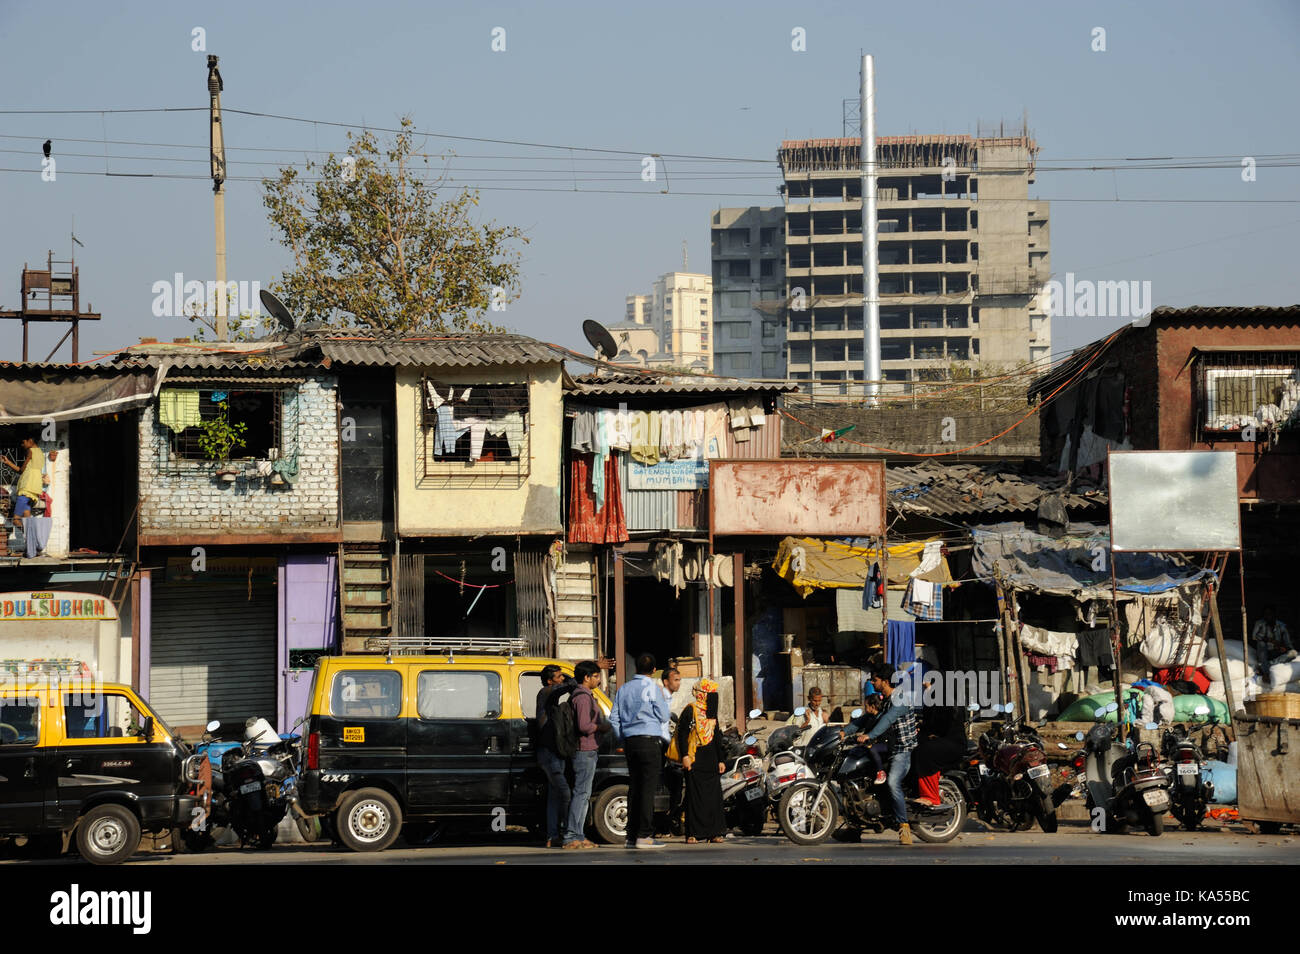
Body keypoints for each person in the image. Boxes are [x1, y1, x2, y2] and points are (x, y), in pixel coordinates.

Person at [850, 663, 921, 845]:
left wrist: (869, 735)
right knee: (862, 778)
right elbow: (868, 717)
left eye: (875, 679)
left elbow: (888, 719)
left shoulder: (900, 699)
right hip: (889, 748)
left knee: (892, 782)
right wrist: (846, 730)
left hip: (902, 750)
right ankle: (854, 828)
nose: (872, 682)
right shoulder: (886, 700)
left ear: (886, 681)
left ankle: (903, 827)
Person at [611, 652, 670, 849]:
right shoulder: (654, 688)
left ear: (635, 668)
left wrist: (623, 737)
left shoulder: (624, 688)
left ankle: (631, 835)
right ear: (654, 670)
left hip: (630, 741)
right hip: (649, 740)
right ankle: (644, 835)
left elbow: (614, 718)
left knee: (634, 787)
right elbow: (663, 715)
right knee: (647, 789)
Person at [676, 678, 727, 844]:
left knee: (713, 798)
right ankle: (693, 833)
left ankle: (714, 833)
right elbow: (682, 735)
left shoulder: (711, 714)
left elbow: (717, 737)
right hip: (694, 759)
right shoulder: (690, 710)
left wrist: (721, 760)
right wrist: (684, 756)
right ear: (701, 694)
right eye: (710, 694)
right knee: (694, 797)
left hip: (711, 761)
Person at [563, 660, 604, 850]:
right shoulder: (582, 697)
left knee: (584, 794)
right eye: (596, 676)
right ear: (587, 678)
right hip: (584, 751)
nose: (599, 680)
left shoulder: (586, 695)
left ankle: (578, 834)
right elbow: (584, 726)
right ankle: (571, 835)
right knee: (581, 794)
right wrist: (602, 727)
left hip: (588, 750)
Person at [534, 664, 573, 848]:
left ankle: (552, 835)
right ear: (550, 681)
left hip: (554, 752)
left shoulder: (551, 699)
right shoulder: (545, 692)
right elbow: (568, 686)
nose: (562, 679)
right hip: (549, 754)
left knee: (554, 796)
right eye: (558, 676)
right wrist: (572, 677)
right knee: (564, 793)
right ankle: (567, 833)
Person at [660, 666, 684, 835]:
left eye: (679, 680)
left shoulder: (668, 697)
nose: (679, 683)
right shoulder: (662, 696)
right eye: (676, 680)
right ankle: (663, 824)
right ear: (666, 682)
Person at [2, 437, 44, 531]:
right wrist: (8, 462)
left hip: (26, 488)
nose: (22, 445)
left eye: (23, 442)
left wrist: (27, 457)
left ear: (30, 441)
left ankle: (32, 535)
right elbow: (22, 470)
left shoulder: (31, 451)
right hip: (33, 489)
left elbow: (21, 470)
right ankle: (32, 541)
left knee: (16, 520)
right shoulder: (40, 453)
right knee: (27, 521)